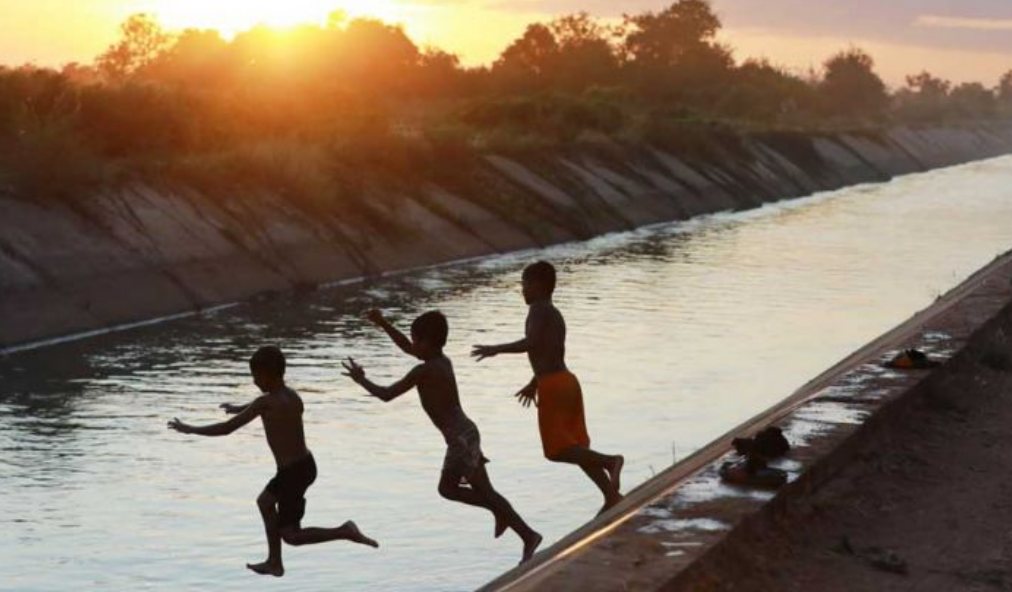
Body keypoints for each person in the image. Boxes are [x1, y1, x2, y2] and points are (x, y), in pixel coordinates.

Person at [344, 309, 542, 563]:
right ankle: (520, 529)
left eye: (417, 341)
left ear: (427, 343)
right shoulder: (440, 360)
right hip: (465, 434)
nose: (413, 346)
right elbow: (407, 347)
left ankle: (522, 530)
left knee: (450, 489)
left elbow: (386, 394)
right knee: (479, 491)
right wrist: (383, 323)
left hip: (461, 439)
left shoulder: (424, 371)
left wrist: (361, 380)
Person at [168, 346, 378, 578]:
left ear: (268, 374)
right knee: (285, 528)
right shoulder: (292, 396)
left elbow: (227, 429)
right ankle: (279, 559)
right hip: (306, 465)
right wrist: (239, 408)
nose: (254, 381)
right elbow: (263, 406)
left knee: (278, 519)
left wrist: (190, 429)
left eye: (256, 376)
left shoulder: (264, 403)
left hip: (292, 472)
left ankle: (329, 537)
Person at [472, 261, 625, 515]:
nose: (522, 290)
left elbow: (531, 343)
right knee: (577, 447)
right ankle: (610, 495)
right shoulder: (551, 312)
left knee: (558, 450)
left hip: (555, 386)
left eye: (525, 284)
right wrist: (534, 383)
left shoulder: (538, 310)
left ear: (540, 286)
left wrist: (496, 349)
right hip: (565, 381)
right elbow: (548, 351)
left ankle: (611, 461)